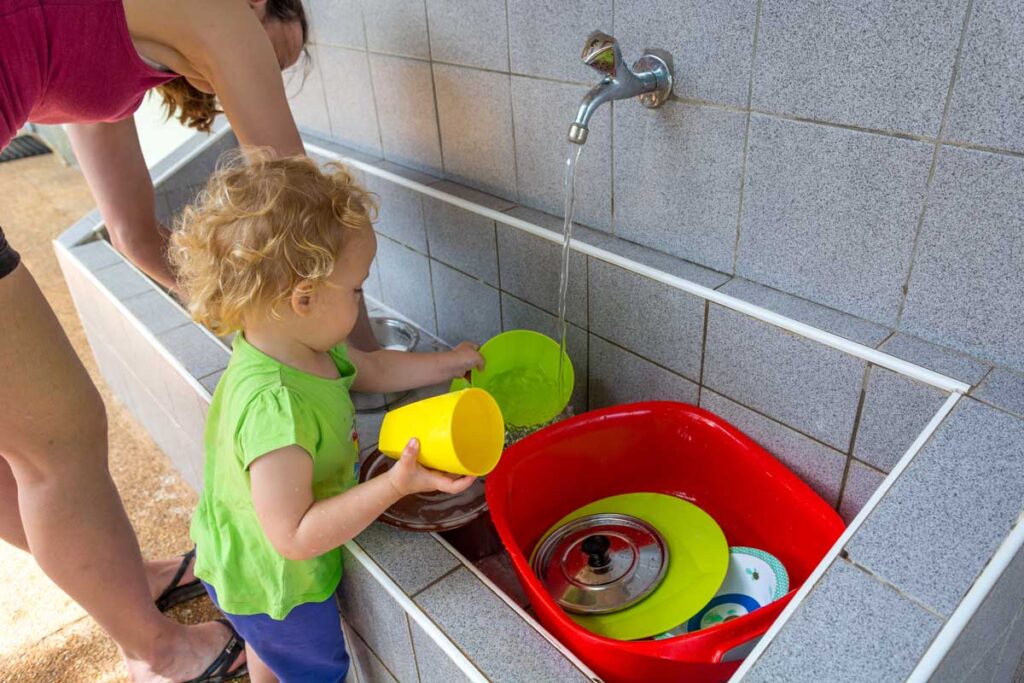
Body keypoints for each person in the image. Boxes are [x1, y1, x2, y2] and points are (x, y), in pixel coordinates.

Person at [0, 0, 381, 680]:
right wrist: (355, 360)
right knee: (58, 441)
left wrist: (256, 322)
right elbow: (314, 233)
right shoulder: (221, 15)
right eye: (273, 57)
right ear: (257, 6)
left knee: (21, 440)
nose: (259, 74)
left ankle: (118, 577)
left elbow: (135, 233)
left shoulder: (112, 58)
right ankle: (161, 650)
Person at [168, 152, 482, 682]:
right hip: (279, 587)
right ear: (304, 297)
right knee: (315, 670)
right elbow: (295, 536)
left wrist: (452, 361)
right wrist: (395, 486)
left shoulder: (294, 345)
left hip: (235, 554)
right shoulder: (276, 410)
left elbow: (373, 370)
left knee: (268, 653)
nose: (363, 301)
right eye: (357, 288)